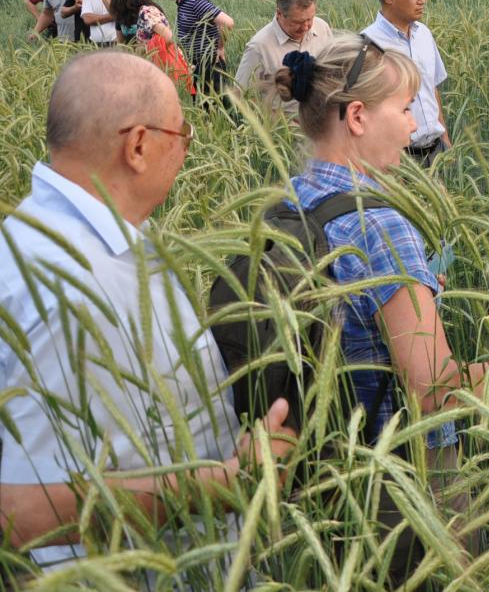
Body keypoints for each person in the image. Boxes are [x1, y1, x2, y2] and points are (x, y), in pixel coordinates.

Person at [0, 51, 292, 566]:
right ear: (138, 145)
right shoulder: (69, 284)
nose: (186, 152)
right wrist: (228, 480)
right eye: (182, 137)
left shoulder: (83, 236)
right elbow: (21, 511)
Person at [275, 33, 489, 508]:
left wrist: (412, 296)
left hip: (323, 463)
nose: (415, 125)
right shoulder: (381, 225)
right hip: (404, 473)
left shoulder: (288, 200)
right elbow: (434, 393)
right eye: (403, 109)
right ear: (357, 117)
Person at [361, 0, 451, 166]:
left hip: (436, 152)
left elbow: (432, 88)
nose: (422, 0)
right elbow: (365, 111)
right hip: (400, 160)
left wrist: (444, 137)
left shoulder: (424, 34)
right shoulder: (368, 45)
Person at [236, 0, 332, 113]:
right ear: (279, 14)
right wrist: (272, 120)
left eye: (310, 19)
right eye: (298, 22)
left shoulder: (322, 27)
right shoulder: (258, 47)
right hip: (284, 128)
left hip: (321, 120)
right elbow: (240, 94)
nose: (306, 27)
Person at [153, 0, 235, 98]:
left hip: (209, 67)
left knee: (214, 111)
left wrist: (219, 47)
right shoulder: (185, 1)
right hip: (199, 67)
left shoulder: (194, 0)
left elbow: (228, 22)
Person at [108, 0, 196, 95]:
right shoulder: (122, 16)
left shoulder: (147, 12)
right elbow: (122, 44)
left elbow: (170, 38)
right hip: (143, 68)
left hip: (163, 67)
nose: (112, 3)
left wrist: (144, 49)